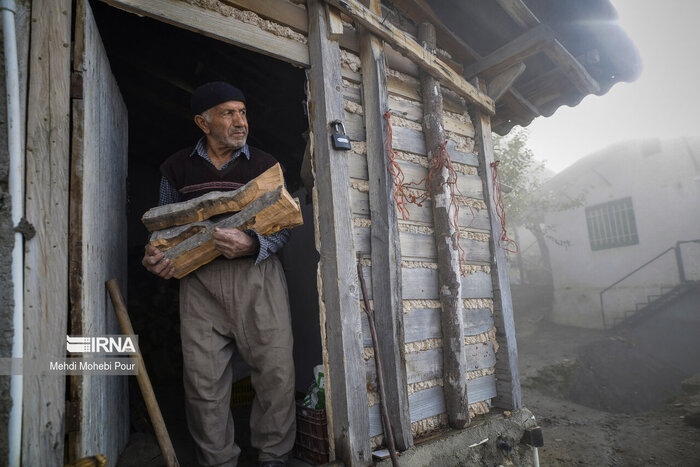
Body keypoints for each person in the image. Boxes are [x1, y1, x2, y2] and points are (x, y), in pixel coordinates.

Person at [142, 82, 296, 467]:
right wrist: (156, 256)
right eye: (228, 113)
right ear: (203, 122)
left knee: (276, 373)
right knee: (203, 383)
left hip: (258, 277)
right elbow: (162, 229)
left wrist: (251, 244)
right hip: (199, 284)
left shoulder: (265, 164)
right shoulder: (176, 167)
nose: (240, 121)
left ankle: (274, 458)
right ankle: (218, 461)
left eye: (242, 112)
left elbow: (286, 226)